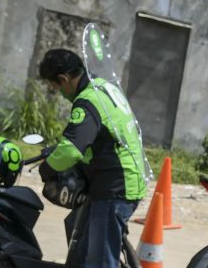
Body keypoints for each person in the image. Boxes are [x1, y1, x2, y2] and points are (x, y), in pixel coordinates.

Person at [38, 48, 146, 268]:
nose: (58, 92)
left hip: (115, 187)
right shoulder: (103, 86)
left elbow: (71, 149)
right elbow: (98, 138)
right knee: (82, 248)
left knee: (99, 262)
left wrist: (47, 169)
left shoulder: (87, 101)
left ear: (64, 78)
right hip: (121, 179)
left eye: (55, 87)